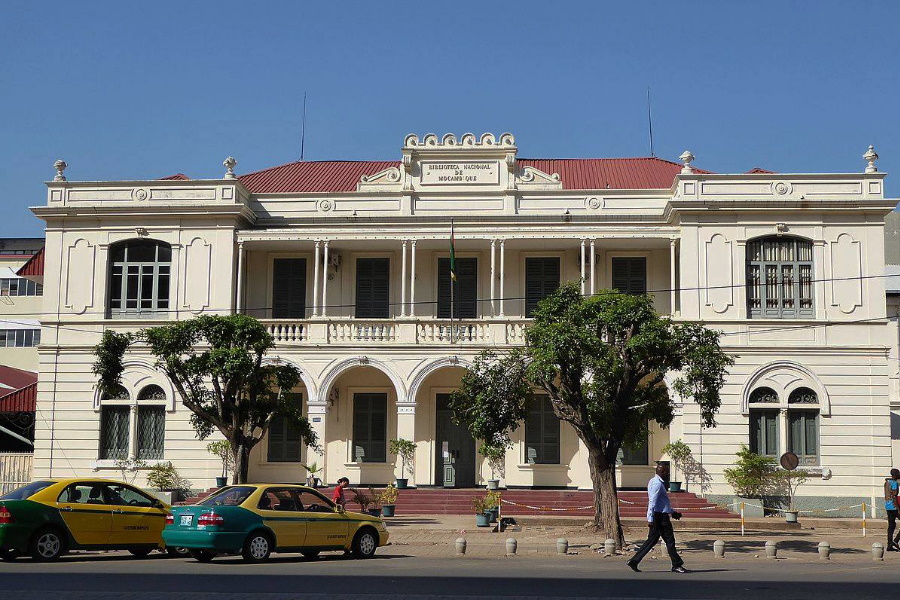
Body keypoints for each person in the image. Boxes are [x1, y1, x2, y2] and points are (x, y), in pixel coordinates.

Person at [626, 463, 688, 573]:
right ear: (662, 472)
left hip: (659, 515)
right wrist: (650, 519)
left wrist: (673, 513)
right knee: (670, 541)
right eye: (667, 472)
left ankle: (634, 561)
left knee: (652, 541)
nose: (668, 474)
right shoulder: (657, 484)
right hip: (660, 518)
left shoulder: (653, 481)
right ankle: (676, 565)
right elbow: (652, 502)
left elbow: (662, 503)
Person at [885, 468, 900, 551]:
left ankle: (889, 545)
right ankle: (895, 541)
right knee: (891, 526)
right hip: (894, 507)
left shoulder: (887, 482)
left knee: (891, 526)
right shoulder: (894, 483)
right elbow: (894, 496)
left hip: (887, 506)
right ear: (896, 474)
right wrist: (898, 509)